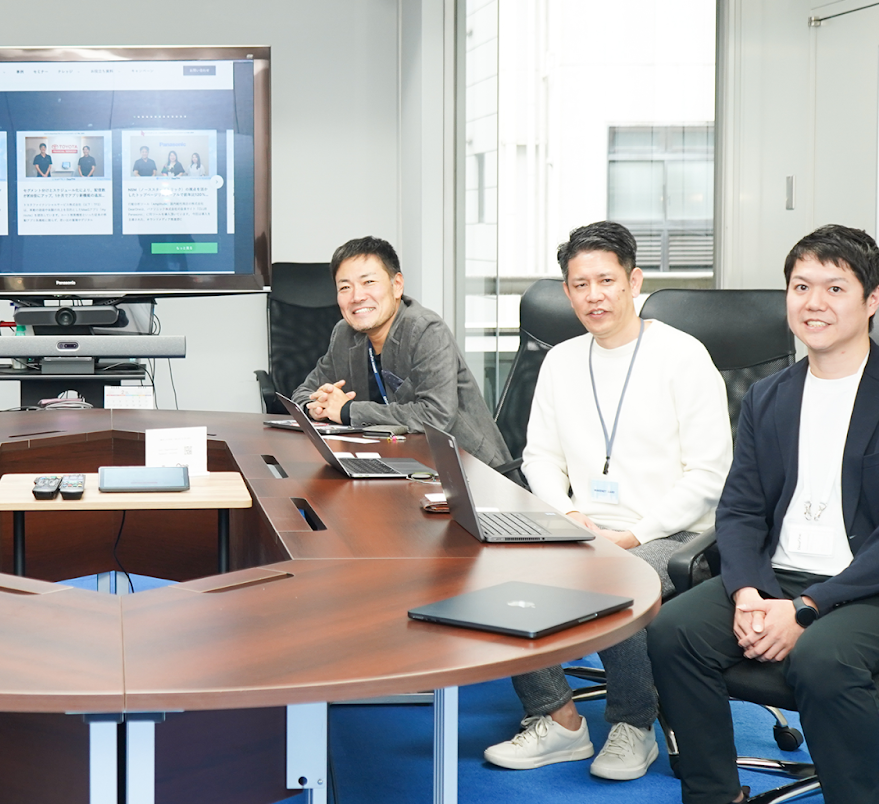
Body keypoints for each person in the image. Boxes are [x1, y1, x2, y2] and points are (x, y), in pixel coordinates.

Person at [482, 222, 733, 780]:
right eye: (580, 285)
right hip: (583, 525)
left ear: (633, 281)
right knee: (501, 568)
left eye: (606, 281)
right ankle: (558, 720)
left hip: (673, 533)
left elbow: (710, 475)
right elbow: (539, 458)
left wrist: (631, 536)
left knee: (614, 577)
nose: (593, 296)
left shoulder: (682, 356)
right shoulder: (562, 360)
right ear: (567, 291)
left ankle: (633, 725)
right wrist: (570, 515)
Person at [650, 224, 879, 804]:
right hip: (778, 575)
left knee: (823, 660)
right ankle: (714, 793)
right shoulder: (769, 395)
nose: (814, 303)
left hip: (863, 588)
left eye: (835, 288)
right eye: (801, 287)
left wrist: (806, 609)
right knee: (673, 631)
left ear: (872, 300)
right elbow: (741, 509)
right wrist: (749, 592)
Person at [293, 236, 509, 467]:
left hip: (468, 468)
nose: (356, 297)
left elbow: (436, 416)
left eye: (368, 282)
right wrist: (316, 407)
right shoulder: (345, 334)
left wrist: (348, 410)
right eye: (345, 287)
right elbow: (303, 393)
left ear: (397, 285)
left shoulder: (426, 330)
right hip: (399, 463)